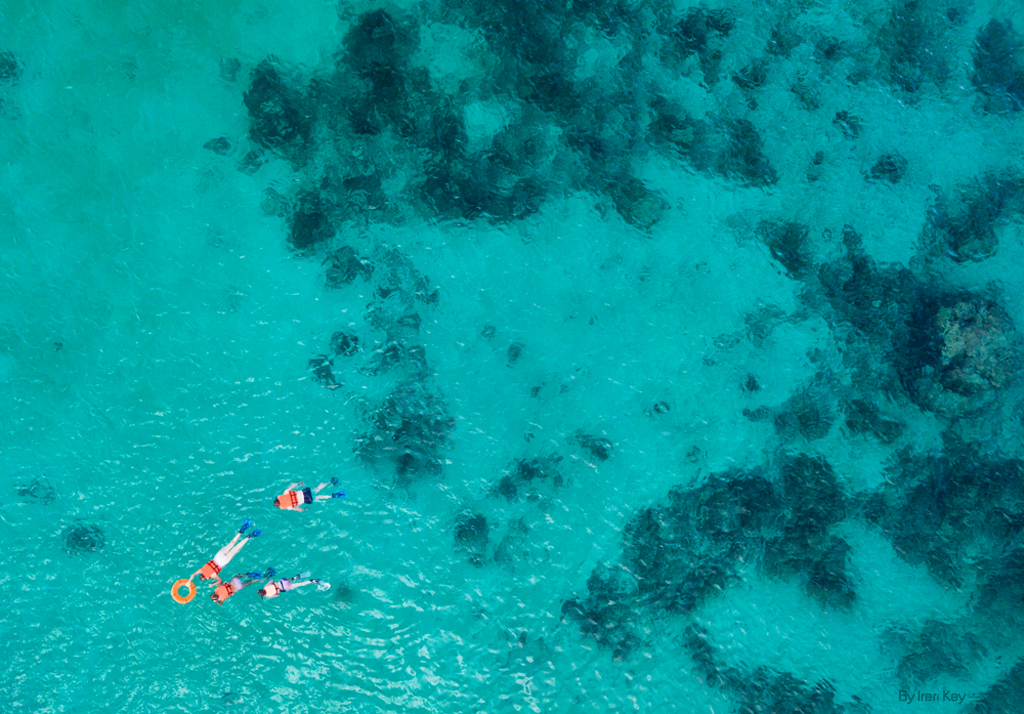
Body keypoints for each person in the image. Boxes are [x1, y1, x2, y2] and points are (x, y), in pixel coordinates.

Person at [189, 520, 261, 583]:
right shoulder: (201, 570)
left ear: (206, 578)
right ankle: (241, 530)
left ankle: (249, 537)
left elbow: (220, 581)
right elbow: (193, 575)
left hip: (222, 562)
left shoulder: (212, 576)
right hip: (217, 557)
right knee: (231, 543)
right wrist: (189, 582)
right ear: (202, 574)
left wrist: (213, 584)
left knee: (236, 549)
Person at [273, 478, 345, 511]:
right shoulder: (285, 492)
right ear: (278, 499)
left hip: (307, 499)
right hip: (305, 492)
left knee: (319, 497)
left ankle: (332, 496)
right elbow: (293, 485)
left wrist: (305, 509)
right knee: (318, 488)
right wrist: (299, 483)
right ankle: (331, 482)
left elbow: (299, 509)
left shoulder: (288, 507)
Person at [258, 570, 331, 599]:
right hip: (282, 582)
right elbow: (271, 580)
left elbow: (277, 595)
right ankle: (295, 577)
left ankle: (311, 581)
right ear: (262, 590)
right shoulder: (265, 586)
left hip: (284, 587)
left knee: (301, 584)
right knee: (291, 579)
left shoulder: (268, 595)